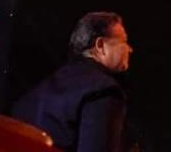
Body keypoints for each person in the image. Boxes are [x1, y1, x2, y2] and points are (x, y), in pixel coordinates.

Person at [12, 12, 132, 152]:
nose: (130, 49)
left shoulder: (32, 95)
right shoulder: (103, 90)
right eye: (124, 41)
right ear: (100, 46)